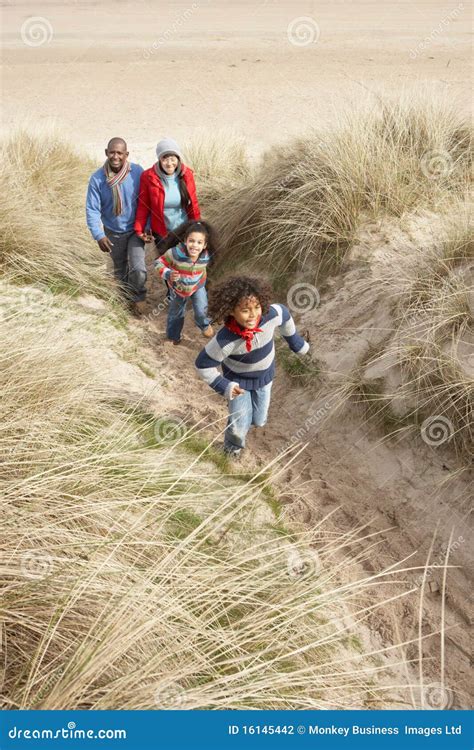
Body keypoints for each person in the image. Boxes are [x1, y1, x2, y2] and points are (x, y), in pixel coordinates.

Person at [195, 276, 310, 459]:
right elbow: (202, 364)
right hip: (238, 385)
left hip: (265, 379)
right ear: (231, 311)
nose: (253, 315)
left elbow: (285, 315)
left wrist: (296, 342)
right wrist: (225, 386)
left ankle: (243, 421)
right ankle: (230, 452)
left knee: (258, 420)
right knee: (239, 425)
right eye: (245, 310)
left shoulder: (270, 316)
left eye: (256, 308)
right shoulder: (225, 340)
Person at [86, 137, 147, 315]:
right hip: (112, 230)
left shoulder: (137, 172)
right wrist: (98, 234)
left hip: (135, 230)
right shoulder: (97, 179)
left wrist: (147, 226)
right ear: (106, 152)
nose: (115, 156)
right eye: (112, 152)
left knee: (138, 268)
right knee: (120, 268)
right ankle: (124, 299)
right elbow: (92, 209)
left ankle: (139, 296)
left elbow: (146, 202)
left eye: (120, 153)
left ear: (126, 154)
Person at [134, 138, 200, 296]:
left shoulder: (187, 174)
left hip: (184, 228)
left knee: (185, 261)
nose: (169, 163)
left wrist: (199, 226)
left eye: (173, 158)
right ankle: (172, 293)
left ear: (178, 158)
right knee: (168, 263)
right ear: (159, 159)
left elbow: (193, 203)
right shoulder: (148, 176)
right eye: (165, 158)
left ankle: (187, 291)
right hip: (161, 230)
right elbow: (143, 206)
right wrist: (139, 228)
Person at [155, 221, 215, 345]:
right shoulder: (175, 253)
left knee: (201, 310)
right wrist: (168, 273)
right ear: (185, 240)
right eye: (191, 241)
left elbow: (205, 269)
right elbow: (158, 263)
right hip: (178, 288)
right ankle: (173, 337)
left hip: (198, 286)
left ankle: (204, 325)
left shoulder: (206, 256)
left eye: (199, 242)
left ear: (205, 245)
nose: (195, 246)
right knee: (176, 313)